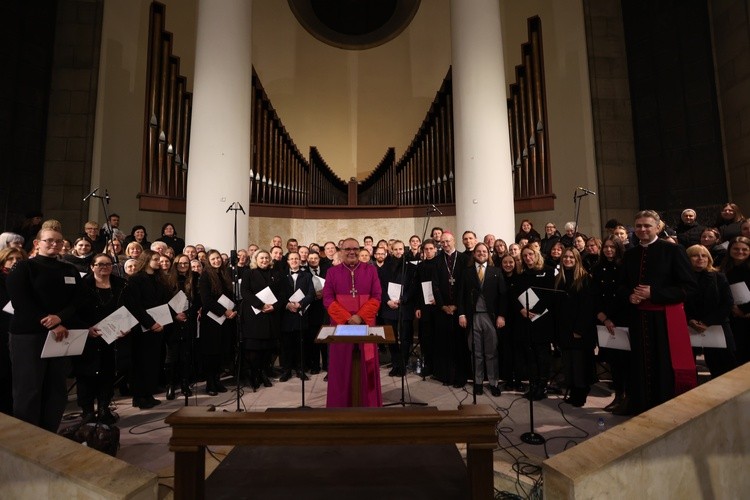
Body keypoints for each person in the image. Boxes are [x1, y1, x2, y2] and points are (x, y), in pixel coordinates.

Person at [6, 228, 86, 431]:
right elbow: (20, 300)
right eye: (49, 240)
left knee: (57, 388)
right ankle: (27, 436)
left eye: (59, 241)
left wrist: (60, 318)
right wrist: (47, 320)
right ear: (37, 243)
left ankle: (50, 433)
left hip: (61, 333)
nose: (54, 244)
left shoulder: (69, 270)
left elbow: (78, 299)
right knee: (29, 388)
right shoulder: (24, 267)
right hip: (29, 335)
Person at [620, 210, 698, 415]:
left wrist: (654, 293)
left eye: (647, 225)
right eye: (638, 226)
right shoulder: (630, 255)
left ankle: (665, 407)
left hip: (664, 319)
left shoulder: (673, 251)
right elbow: (621, 285)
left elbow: (689, 287)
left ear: (657, 227)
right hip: (638, 318)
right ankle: (640, 405)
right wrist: (630, 296)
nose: (642, 229)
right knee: (639, 363)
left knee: (663, 364)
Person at [322, 238, 382, 407]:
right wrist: (348, 318)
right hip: (342, 326)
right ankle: (341, 405)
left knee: (367, 365)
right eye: (348, 249)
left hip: (366, 324)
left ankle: (368, 403)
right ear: (341, 251)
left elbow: (376, 297)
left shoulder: (371, 270)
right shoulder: (332, 272)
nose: (352, 252)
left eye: (355, 248)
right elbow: (327, 299)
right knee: (342, 366)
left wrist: (360, 316)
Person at [75, 253, 128, 424]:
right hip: (89, 335)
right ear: (92, 266)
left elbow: (128, 308)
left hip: (112, 336)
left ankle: (104, 408)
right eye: (99, 264)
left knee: (107, 372)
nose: (104, 267)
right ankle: (87, 411)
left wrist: (125, 327)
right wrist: (86, 328)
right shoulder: (82, 285)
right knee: (86, 375)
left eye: (107, 264)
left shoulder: (121, 284)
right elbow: (74, 310)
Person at [457, 243, 506, 396]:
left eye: (484, 251)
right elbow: (461, 295)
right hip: (473, 317)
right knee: (476, 352)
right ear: (474, 254)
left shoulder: (496, 271)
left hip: (490, 317)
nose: (481, 253)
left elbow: (503, 296)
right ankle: (478, 382)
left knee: (491, 352)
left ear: (488, 254)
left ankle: (493, 383)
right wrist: (462, 314)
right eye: (478, 251)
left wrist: (501, 315)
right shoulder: (466, 272)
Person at [123, 250, 171, 409]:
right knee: (140, 362)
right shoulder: (136, 280)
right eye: (155, 259)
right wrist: (150, 323)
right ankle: (139, 396)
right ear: (146, 260)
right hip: (142, 326)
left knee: (153, 362)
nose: (158, 262)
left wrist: (162, 322)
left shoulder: (159, 279)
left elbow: (164, 302)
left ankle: (148, 394)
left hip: (158, 324)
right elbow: (135, 306)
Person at [684, 245, 737, 378]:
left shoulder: (719, 277)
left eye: (704, 255)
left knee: (723, 368)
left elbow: (728, 302)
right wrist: (690, 319)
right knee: (687, 366)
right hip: (689, 326)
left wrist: (707, 322)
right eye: (695, 255)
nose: (700, 258)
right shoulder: (682, 279)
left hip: (717, 326)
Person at [591, 236, 629, 413]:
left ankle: (629, 397)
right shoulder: (597, 268)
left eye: (612, 247)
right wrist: (602, 316)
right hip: (604, 319)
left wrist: (611, 317)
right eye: (605, 247)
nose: (608, 250)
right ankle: (618, 396)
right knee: (614, 362)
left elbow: (625, 294)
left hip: (622, 319)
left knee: (625, 361)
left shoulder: (625, 267)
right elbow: (595, 294)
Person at [514, 245, 556, 400]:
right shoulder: (521, 274)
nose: (527, 258)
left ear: (536, 254)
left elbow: (549, 295)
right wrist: (522, 310)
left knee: (542, 354)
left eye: (530, 254)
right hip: (525, 319)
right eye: (524, 256)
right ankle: (533, 385)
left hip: (542, 319)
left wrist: (536, 311)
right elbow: (515, 295)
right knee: (530, 355)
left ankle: (543, 386)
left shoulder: (548, 271)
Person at [554, 248, 595, 407]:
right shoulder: (559, 279)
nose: (568, 260)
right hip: (564, 329)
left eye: (571, 257)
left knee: (579, 364)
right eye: (565, 257)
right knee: (569, 362)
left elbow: (587, 307)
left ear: (577, 259)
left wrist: (579, 329)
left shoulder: (585, 279)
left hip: (580, 330)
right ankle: (573, 390)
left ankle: (581, 392)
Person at [240, 250, 284, 390]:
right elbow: (245, 292)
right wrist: (260, 305)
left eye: (266, 258)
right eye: (261, 258)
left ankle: (263, 372)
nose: (264, 260)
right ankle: (254, 374)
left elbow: (282, 294)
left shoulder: (275, 273)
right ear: (255, 259)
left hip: (270, 315)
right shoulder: (248, 273)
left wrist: (274, 306)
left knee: (267, 348)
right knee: (254, 348)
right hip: (254, 314)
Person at [432, 231, 470, 388]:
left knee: (460, 344)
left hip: (459, 309)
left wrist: (456, 306)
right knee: (445, 343)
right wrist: (443, 306)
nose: (445, 244)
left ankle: (461, 377)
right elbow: (434, 285)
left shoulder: (464, 259)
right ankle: (447, 375)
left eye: (448, 241)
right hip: (443, 309)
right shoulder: (436, 260)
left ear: (454, 241)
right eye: (443, 242)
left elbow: (465, 285)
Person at [198, 250, 237, 395]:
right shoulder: (205, 276)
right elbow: (206, 300)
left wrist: (233, 310)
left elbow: (231, 295)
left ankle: (217, 380)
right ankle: (210, 384)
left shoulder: (225, 274)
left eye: (218, 258)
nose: (216, 261)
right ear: (208, 261)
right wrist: (224, 311)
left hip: (226, 320)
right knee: (211, 353)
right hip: (212, 320)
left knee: (222, 351)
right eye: (213, 259)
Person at [165, 253, 200, 399]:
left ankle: (185, 384)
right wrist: (175, 315)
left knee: (186, 355)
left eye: (186, 263)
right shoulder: (167, 279)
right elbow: (164, 300)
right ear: (175, 264)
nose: (183, 265)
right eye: (180, 263)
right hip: (172, 322)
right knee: (171, 356)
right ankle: (171, 386)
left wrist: (188, 314)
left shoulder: (195, 278)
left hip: (188, 320)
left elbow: (199, 300)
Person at [278, 252, 315, 382]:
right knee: (286, 344)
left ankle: (300, 369)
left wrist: (301, 304)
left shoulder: (307, 275)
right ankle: (286, 370)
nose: (294, 261)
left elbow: (311, 294)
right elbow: (278, 294)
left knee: (301, 343)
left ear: (300, 261)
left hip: (301, 313)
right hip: (286, 314)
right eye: (291, 259)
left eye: (296, 259)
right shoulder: (281, 276)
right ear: (287, 261)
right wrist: (287, 305)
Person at [0, 247, 27, 415]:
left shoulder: (27, 278)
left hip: (20, 330)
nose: (15, 262)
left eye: (19, 258)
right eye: (11, 259)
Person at [721, 236, 750, 365]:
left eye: (744, 249)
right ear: (730, 249)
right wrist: (733, 308)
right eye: (736, 248)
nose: (740, 252)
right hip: (731, 315)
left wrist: (744, 310)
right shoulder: (724, 267)